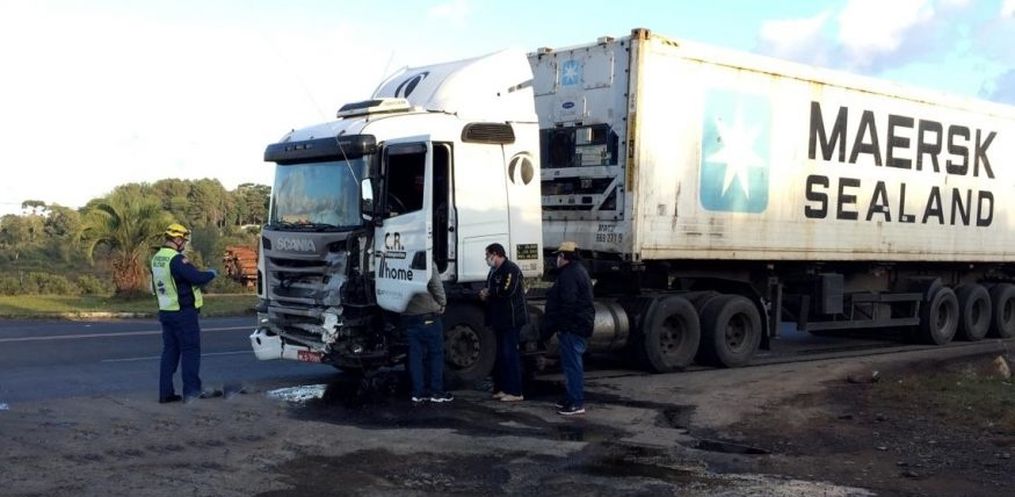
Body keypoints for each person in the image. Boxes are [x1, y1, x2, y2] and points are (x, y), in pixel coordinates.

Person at [151, 223, 218, 404]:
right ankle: (191, 391)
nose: (185, 244)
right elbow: (196, 278)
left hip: (166, 311)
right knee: (190, 351)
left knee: (170, 353)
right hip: (183, 313)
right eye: (184, 240)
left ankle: (165, 393)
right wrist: (212, 273)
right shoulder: (176, 259)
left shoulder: (157, 258)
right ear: (177, 239)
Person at [540, 241, 595, 416]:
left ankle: (576, 403)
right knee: (570, 364)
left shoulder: (570, 274)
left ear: (564, 256)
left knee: (572, 366)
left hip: (573, 327)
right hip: (577, 325)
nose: (556, 259)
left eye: (558, 255)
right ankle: (571, 398)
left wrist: (561, 325)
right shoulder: (577, 271)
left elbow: (568, 303)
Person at [479, 243, 527, 402]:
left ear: (496, 254)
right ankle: (501, 388)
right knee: (500, 355)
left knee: (510, 354)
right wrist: (485, 293)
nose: (486, 258)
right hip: (499, 319)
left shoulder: (511, 269)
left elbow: (507, 290)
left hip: (511, 319)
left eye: (488, 255)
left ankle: (515, 391)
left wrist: (490, 293)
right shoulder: (494, 271)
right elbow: (489, 287)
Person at [404, 261, 453, 404]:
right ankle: (436, 392)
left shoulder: (400, 258)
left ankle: (418, 392)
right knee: (435, 354)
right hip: (428, 314)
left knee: (415, 356)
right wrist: (442, 303)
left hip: (408, 313)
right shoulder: (426, 259)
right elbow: (436, 285)